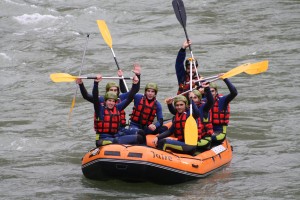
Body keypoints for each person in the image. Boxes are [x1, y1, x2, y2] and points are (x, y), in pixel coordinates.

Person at [76, 64, 141, 130]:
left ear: (118, 92)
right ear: (107, 91)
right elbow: (86, 96)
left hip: (120, 129)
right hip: (106, 130)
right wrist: (81, 84)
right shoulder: (101, 100)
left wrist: (137, 76)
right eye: (111, 90)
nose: (113, 92)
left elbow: (134, 91)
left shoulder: (121, 98)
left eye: (115, 90)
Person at [93, 72, 144, 147]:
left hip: (116, 135)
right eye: (109, 101)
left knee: (139, 138)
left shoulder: (118, 108)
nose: (111, 103)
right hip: (102, 139)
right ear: (105, 101)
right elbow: (95, 96)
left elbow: (129, 98)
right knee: (116, 141)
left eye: (113, 101)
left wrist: (135, 84)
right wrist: (96, 83)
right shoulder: (99, 110)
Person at [210, 74, 238, 144]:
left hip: (219, 131)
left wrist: (225, 79)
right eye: (209, 91)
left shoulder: (222, 101)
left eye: (212, 91)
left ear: (216, 92)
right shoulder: (203, 101)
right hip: (208, 130)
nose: (210, 93)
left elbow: (234, 93)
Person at [188, 85, 214, 150]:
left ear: (199, 99)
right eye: (192, 98)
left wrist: (207, 88)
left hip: (204, 138)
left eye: (195, 97)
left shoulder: (204, 108)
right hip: (192, 137)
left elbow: (211, 101)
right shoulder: (188, 109)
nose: (193, 99)